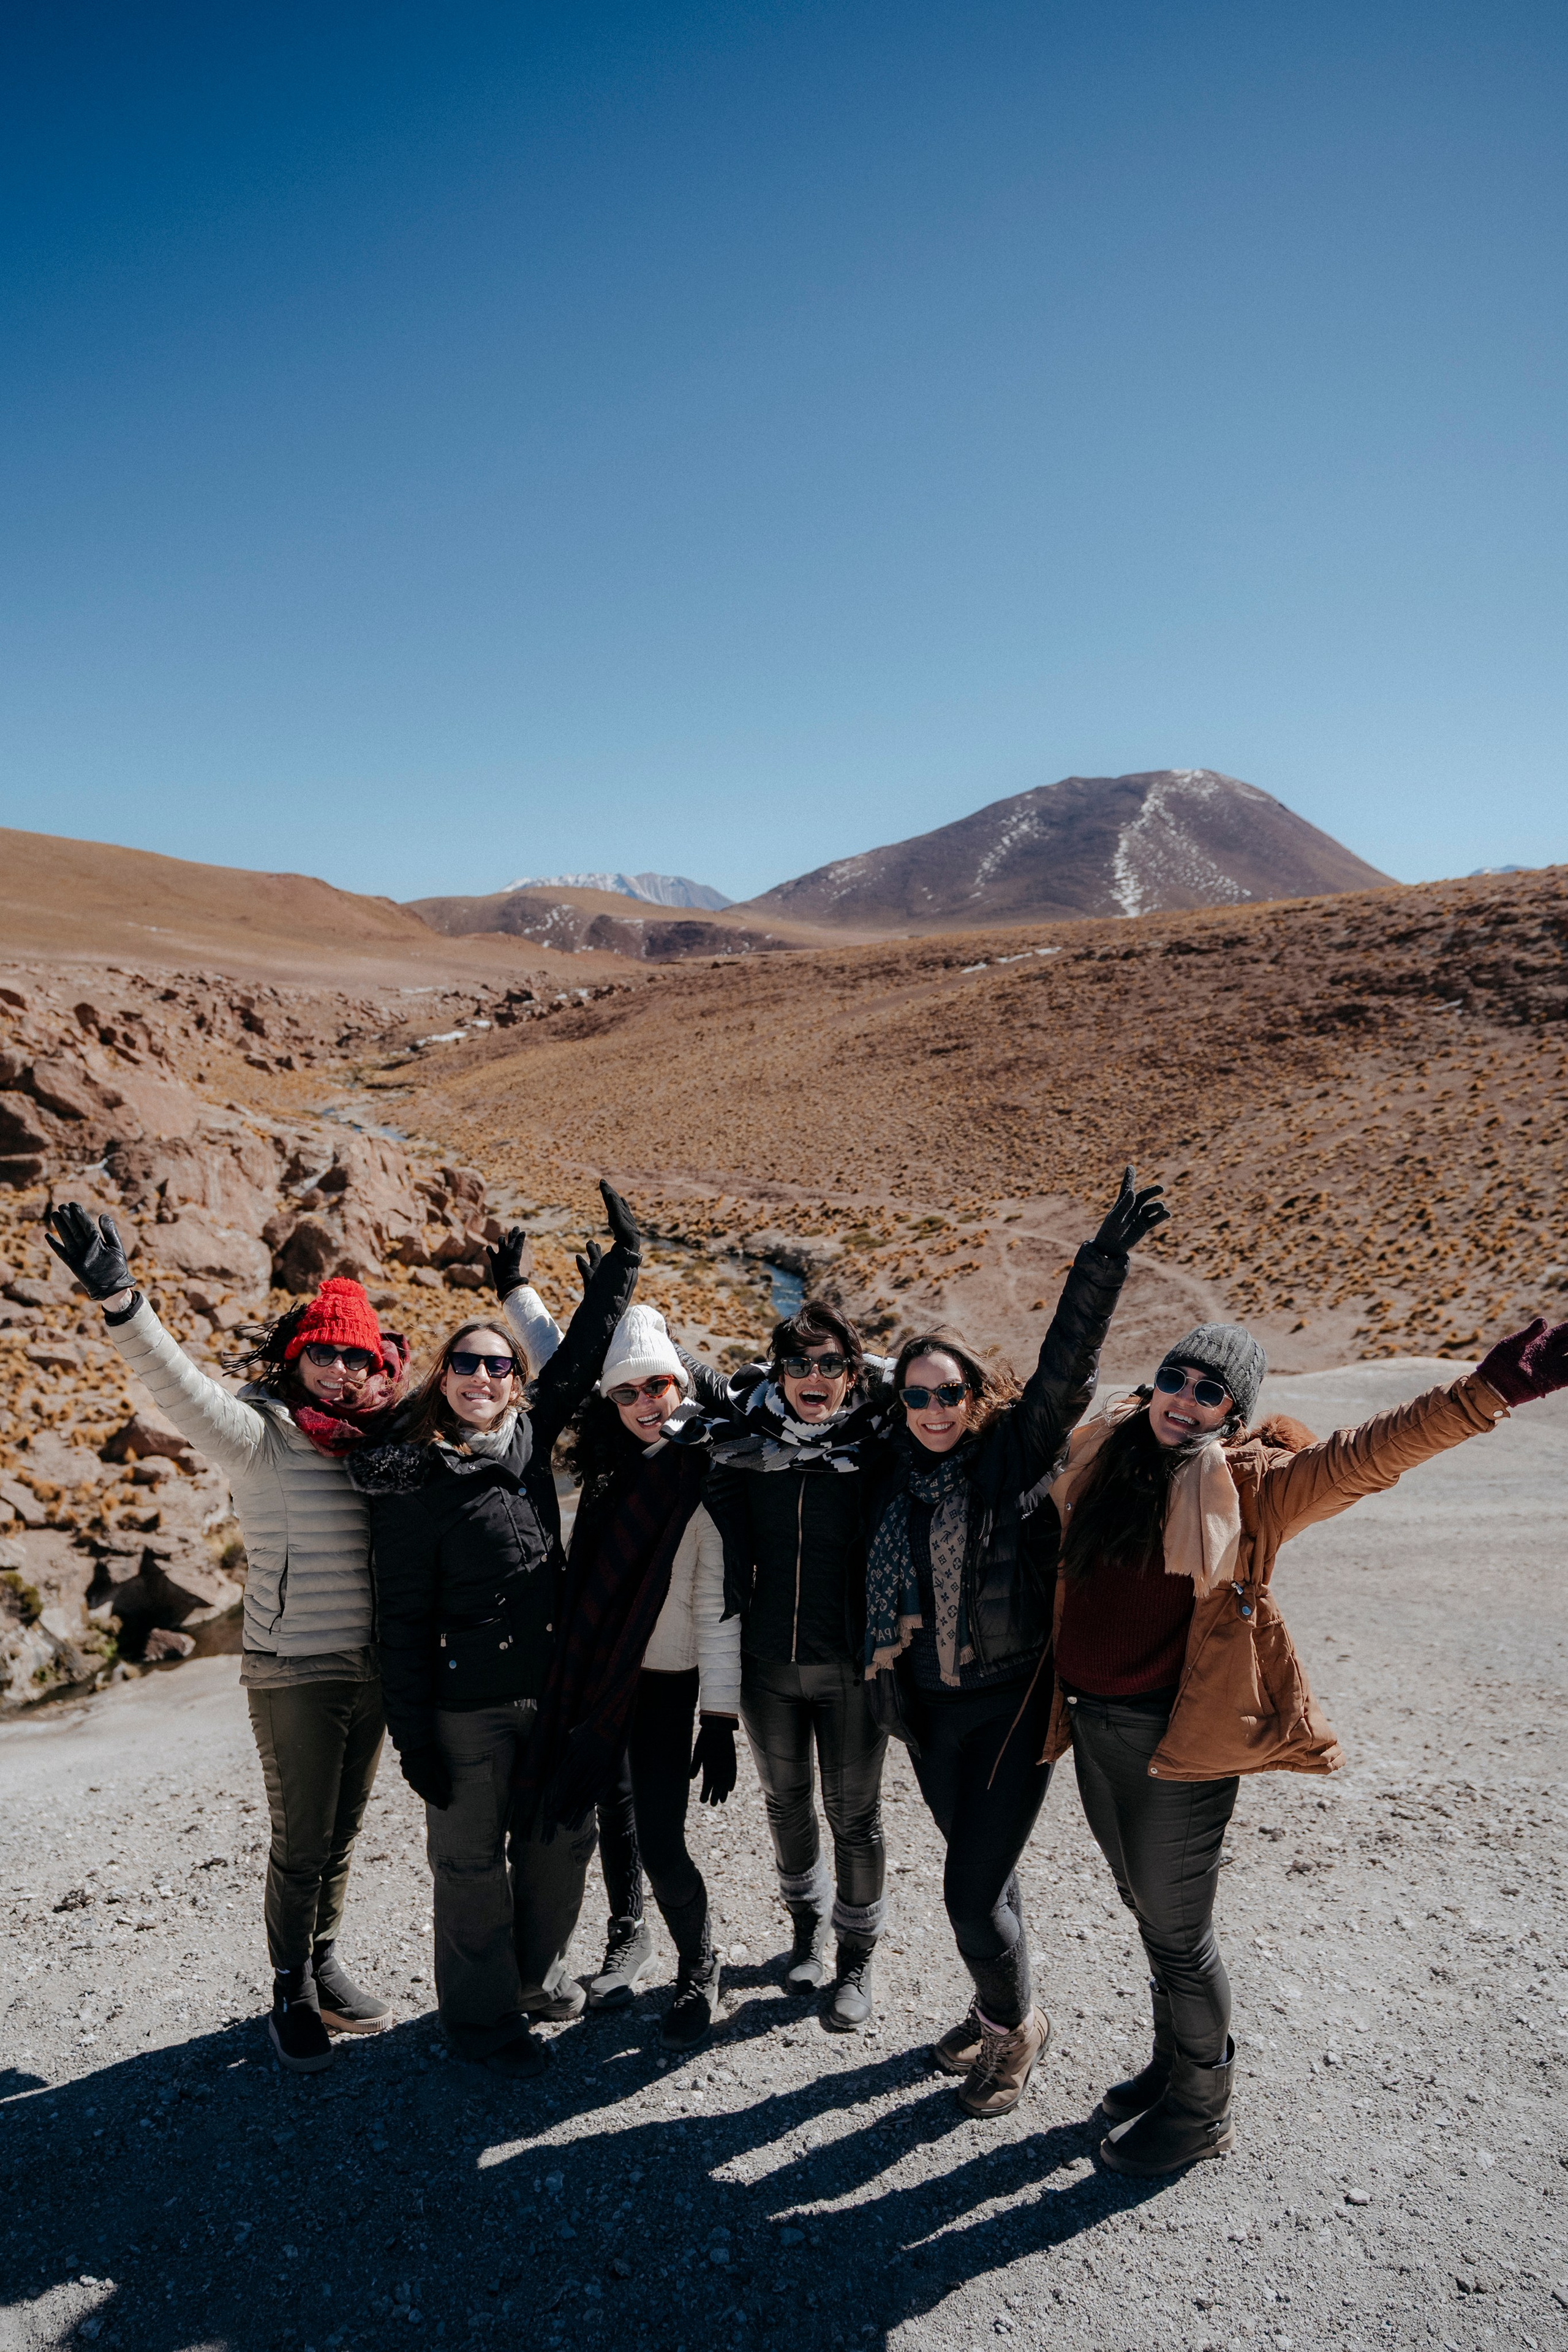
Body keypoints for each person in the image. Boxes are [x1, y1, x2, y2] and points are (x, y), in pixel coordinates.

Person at [1043, 1308, 1568, 2177]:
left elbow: (1367, 1455)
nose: (1184, 1399)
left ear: (1234, 1412)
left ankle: (1202, 2111)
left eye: (1210, 1391)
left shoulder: (1252, 1488)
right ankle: (1172, 2068)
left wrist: (1490, 1391)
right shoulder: (1104, 1451)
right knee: (1144, 1906)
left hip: (1181, 1741)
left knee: (1179, 1930)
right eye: (1174, 1378)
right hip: (1093, 1722)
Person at [43, 1205, 421, 2075]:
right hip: (294, 1668)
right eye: (324, 1353)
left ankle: (324, 1965)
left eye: (355, 1357)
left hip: (371, 1667)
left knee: (343, 1834)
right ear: (298, 1355)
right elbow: (178, 1387)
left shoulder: (380, 1440)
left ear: (376, 1365)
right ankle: (291, 1989)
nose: (338, 1370)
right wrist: (123, 1300)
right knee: (302, 1842)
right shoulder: (259, 1436)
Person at [860, 1169, 1169, 2117]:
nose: (933, 1410)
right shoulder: (889, 1473)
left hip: (1010, 1712)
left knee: (967, 1895)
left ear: (973, 1393)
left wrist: (1101, 1262)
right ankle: (1002, 2003)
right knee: (986, 1881)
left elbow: (1067, 1369)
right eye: (916, 1395)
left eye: (948, 1393)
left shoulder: (1012, 1455)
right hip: (927, 1715)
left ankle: (1015, 2029)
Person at [349, 1183, 640, 2079]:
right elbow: (399, 1616)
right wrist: (412, 1739)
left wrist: (623, 1266)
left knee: (560, 1843)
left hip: (550, 1695)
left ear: (515, 1381)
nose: (483, 1378)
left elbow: (581, 1358)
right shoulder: (412, 1478)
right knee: (472, 1867)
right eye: (467, 1366)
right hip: (464, 1708)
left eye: (499, 1366)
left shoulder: (525, 1439)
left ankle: (534, 1980)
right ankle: (481, 2024)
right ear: (443, 1379)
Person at [521, 1303, 740, 2052]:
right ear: (611, 1402)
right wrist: (520, 1292)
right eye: (628, 1392)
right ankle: (628, 1933)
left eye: (658, 1386)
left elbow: (716, 1609)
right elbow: (565, 1358)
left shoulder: (702, 1474)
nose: (646, 1402)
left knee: (662, 1840)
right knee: (612, 1811)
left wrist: (719, 1719)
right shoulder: (613, 1470)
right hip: (598, 1676)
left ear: (681, 1385)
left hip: (666, 1682)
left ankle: (699, 1965)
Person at [701, 1302, 895, 2031]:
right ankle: (806, 1929)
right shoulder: (741, 1445)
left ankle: (856, 1954)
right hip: (766, 1669)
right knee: (785, 1805)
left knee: (854, 1817)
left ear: (853, 1373)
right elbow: (653, 1376)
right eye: (798, 1363)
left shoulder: (880, 1445)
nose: (813, 1376)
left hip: (850, 1669)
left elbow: (941, 1394)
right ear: (777, 1372)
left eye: (830, 1364)